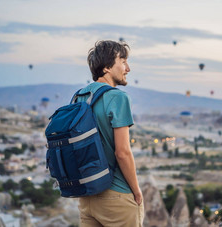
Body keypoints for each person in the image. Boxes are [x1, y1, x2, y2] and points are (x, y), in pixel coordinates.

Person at [77, 40, 144, 227]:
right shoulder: (118, 97)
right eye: (123, 61)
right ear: (107, 67)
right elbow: (122, 152)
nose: (128, 68)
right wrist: (136, 191)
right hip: (116, 196)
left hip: (87, 196)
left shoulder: (79, 97)